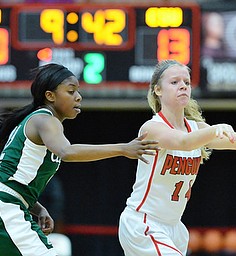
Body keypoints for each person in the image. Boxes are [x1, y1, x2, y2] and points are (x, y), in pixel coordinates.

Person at [118, 59, 236, 256]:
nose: (183, 86)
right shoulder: (152, 128)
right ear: (158, 90)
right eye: (175, 82)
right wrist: (214, 130)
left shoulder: (195, 128)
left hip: (173, 227)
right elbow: (183, 142)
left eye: (186, 82)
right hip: (144, 222)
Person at [0, 63, 159, 256]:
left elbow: (13, 180)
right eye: (71, 91)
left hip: (11, 202)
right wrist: (123, 148)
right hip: (6, 205)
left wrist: (38, 209)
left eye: (78, 91)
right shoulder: (45, 119)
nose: (78, 97)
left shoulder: (41, 121)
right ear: (50, 96)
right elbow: (67, 152)